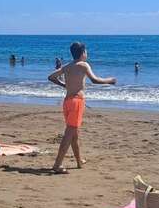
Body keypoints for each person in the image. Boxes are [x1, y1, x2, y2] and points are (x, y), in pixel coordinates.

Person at [47, 42, 116, 174]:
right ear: (83, 53)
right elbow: (95, 80)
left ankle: (79, 161)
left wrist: (64, 85)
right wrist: (110, 80)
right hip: (77, 102)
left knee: (74, 134)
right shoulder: (83, 65)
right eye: (86, 51)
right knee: (69, 134)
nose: (87, 53)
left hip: (67, 101)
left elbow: (51, 77)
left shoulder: (68, 66)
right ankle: (57, 165)